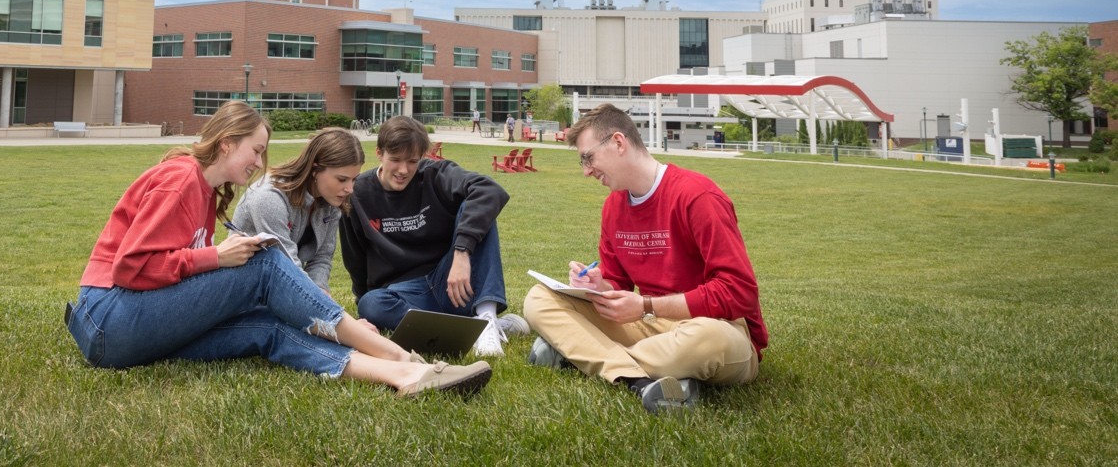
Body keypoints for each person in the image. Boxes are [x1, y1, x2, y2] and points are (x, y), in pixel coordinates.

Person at [65, 100, 492, 397]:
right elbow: (130, 269)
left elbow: (177, 273)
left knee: (269, 328)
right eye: (255, 150)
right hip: (109, 319)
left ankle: (402, 375)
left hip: (132, 334)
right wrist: (217, 256)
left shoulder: (207, 193)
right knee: (266, 259)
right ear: (227, 142)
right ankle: (397, 353)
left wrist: (214, 262)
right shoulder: (180, 179)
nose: (259, 162)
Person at [523, 103, 768, 412]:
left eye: (588, 158)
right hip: (649, 325)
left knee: (707, 340)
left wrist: (646, 306)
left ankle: (579, 355)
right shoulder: (613, 207)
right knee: (539, 299)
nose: (586, 171)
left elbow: (740, 292)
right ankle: (636, 378)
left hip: (715, 328)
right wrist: (600, 287)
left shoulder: (697, 196)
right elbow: (619, 285)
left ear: (618, 142)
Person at [340, 114, 529, 356]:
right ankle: (474, 328)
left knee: (478, 211)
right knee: (370, 304)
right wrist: (364, 308)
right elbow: (354, 255)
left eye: (412, 161)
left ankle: (486, 317)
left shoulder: (436, 174)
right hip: (405, 293)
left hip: (452, 282)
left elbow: (489, 190)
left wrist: (461, 252)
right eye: (395, 160)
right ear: (379, 153)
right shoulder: (358, 193)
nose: (403, 170)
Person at [231, 127, 363, 291]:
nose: (350, 189)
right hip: (246, 290)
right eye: (342, 179)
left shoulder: (331, 201)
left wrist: (320, 290)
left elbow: (322, 257)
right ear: (315, 169)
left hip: (283, 288)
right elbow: (287, 267)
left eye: (354, 179)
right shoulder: (269, 198)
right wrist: (318, 301)